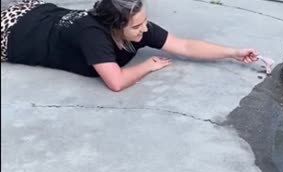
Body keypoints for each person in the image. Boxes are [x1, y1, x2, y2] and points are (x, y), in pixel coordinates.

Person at [1, 0, 259, 91]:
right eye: (137, 26)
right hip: (11, 33)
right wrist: (147, 65)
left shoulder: (136, 26)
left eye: (144, 21)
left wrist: (233, 52)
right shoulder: (94, 36)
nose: (145, 30)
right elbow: (116, 82)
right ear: (114, 25)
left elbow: (185, 46)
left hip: (37, 10)